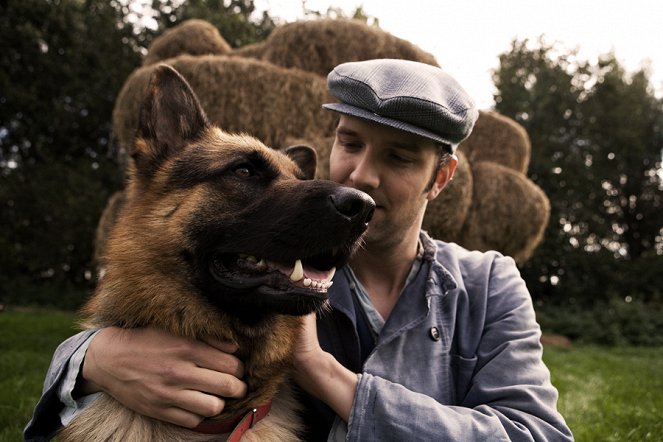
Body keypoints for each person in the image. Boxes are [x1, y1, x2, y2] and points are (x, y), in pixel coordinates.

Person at [25, 59, 573, 441]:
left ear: (442, 177)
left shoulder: (486, 283)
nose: (362, 177)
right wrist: (89, 358)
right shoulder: (272, 271)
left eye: (400, 158)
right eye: (350, 143)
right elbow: (153, 299)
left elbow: (537, 435)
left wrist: (322, 372)